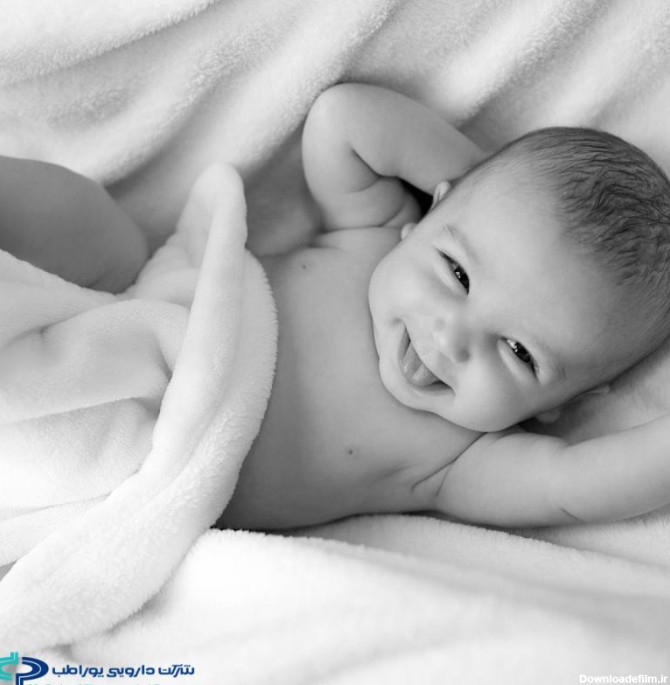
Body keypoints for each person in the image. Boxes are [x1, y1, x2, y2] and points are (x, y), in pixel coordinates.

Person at [5, 84, 670, 531]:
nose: (452, 336)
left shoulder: (459, 460)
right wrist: (482, 187)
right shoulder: (373, 236)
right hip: (139, 304)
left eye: (519, 351)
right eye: (458, 271)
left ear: (560, 403)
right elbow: (343, 118)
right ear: (430, 216)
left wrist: (467, 214)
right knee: (85, 219)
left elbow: (578, 485)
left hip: (140, 466)